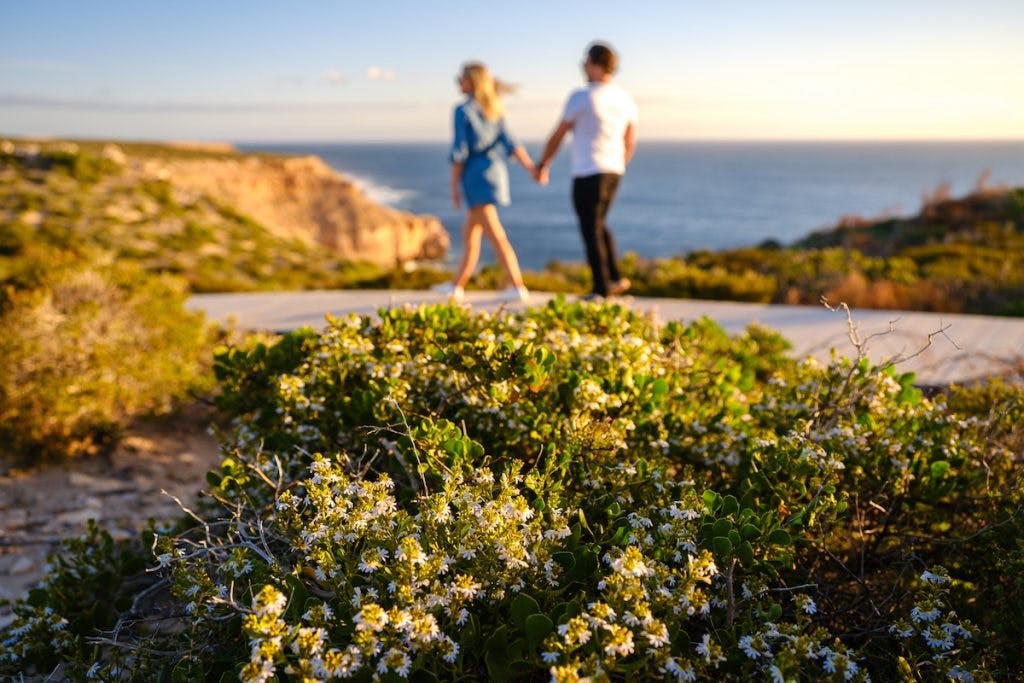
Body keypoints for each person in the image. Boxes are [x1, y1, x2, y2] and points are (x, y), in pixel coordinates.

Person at [535, 42, 638, 299]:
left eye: (585, 61)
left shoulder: (582, 96)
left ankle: (601, 289)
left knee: (590, 229)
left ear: (595, 64)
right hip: (614, 170)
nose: (582, 66)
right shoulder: (624, 98)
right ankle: (614, 277)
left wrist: (543, 164)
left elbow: (558, 134)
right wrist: (621, 163)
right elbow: (630, 139)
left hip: (588, 171)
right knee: (599, 224)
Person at [434, 62, 537, 303]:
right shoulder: (494, 109)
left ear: (471, 81)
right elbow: (514, 144)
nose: (458, 81)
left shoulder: (463, 110)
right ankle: (456, 286)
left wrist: (454, 185)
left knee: (494, 233)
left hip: (475, 176)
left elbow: (459, 151)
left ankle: (517, 285)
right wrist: (532, 168)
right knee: (470, 234)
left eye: (461, 77)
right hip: (495, 173)